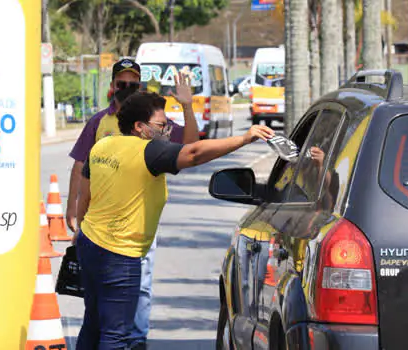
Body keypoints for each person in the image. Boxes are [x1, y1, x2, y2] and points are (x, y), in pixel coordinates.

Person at [74, 90, 275, 349]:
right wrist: (244, 138)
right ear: (140, 127)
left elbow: (85, 195)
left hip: (90, 243)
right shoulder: (148, 151)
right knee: (116, 334)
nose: (166, 129)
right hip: (119, 254)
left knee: (93, 323)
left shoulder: (102, 146)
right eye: (161, 124)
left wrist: (80, 231)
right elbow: (194, 153)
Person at [67, 58, 199, 347]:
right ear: (112, 86)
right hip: (100, 232)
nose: (126, 88)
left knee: (138, 291)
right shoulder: (100, 122)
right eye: (121, 83)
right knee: (103, 321)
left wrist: (187, 106)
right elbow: (81, 169)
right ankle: (125, 339)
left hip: (136, 224)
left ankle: (136, 340)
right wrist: (75, 216)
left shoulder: (153, 122)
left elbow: (190, 146)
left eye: (132, 83)